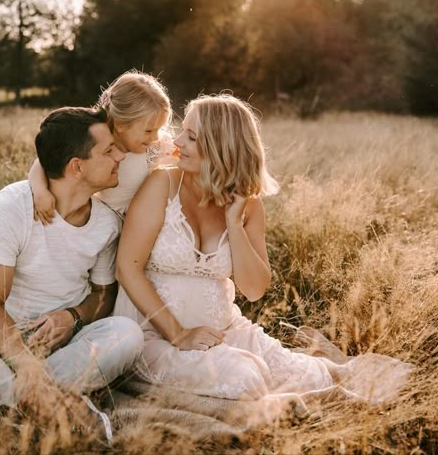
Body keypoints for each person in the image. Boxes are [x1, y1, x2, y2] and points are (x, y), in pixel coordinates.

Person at [114, 94, 411, 411]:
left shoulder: (248, 204)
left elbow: (254, 290)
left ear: (221, 148)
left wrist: (234, 223)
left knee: (314, 378)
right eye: (182, 131)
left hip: (226, 331)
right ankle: (285, 408)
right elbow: (127, 269)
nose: (177, 141)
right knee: (246, 378)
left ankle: (324, 383)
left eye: (191, 136)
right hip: (156, 337)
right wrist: (179, 334)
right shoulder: (164, 184)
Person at [0, 107, 144, 418]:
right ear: (77, 167)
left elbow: (103, 297)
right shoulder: (9, 207)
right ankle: (38, 399)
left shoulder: (107, 224)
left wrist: (72, 317)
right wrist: (24, 362)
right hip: (5, 344)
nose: (121, 157)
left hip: (70, 345)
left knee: (128, 333)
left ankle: (11, 399)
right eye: (109, 151)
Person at [30, 71, 176, 221]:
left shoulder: (157, 148)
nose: (155, 137)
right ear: (121, 124)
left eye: (159, 129)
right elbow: (43, 161)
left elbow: (185, 165)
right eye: (149, 130)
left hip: (134, 224)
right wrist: (40, 191)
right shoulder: (96, 139)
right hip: (96, 221)